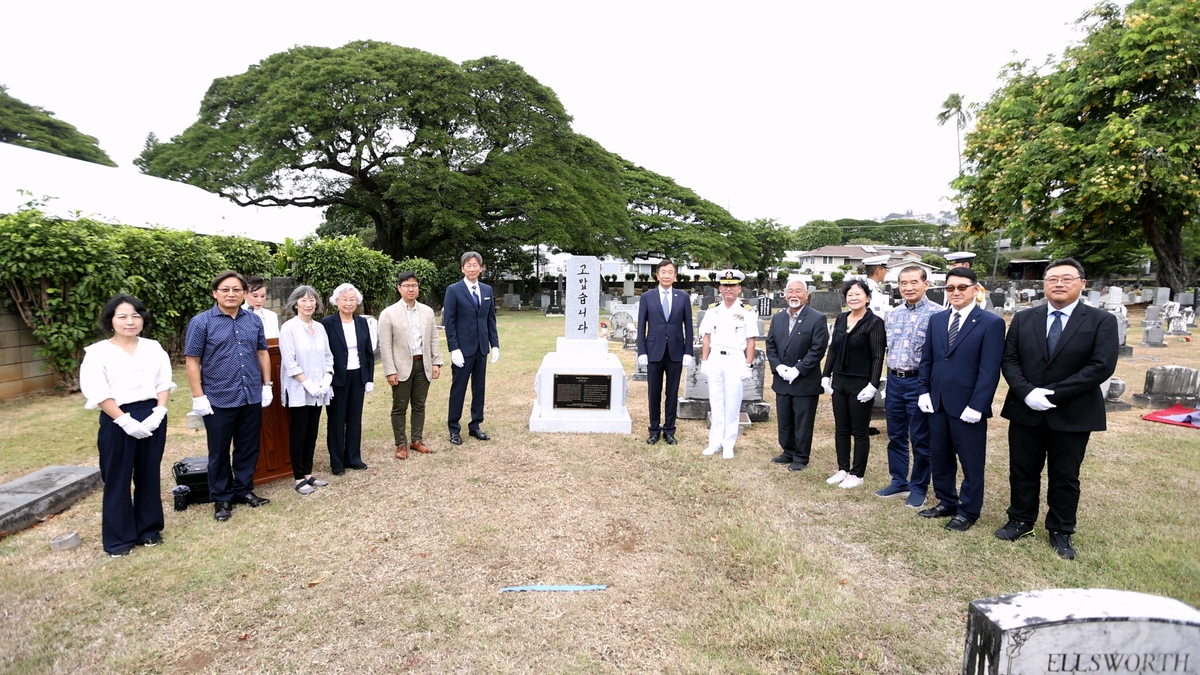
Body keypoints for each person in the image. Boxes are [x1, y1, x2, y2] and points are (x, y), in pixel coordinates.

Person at [996, 258, 1118, 559]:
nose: (1059, 284)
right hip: (1026, 409)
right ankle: (1021, 519)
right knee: (1022, 469)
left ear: (1082, 283)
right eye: (1052, 279)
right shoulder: (1025, 319)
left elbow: (1100, 366)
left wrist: (1053, 394)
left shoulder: (1100, 321)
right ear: (1044, 284)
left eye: (1066, 278)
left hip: (1072, 411)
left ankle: (1061, 529)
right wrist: (1027, 392)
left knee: (1065, 475)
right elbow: (1009, 359)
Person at [80, 294, 176, 557]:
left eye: (135, 315)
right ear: (111, 320)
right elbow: (97, 391)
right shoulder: (97, 353)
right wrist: (124, 420)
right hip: (116, 418)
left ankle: (149, 529)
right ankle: (119, 540)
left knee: (148, 473)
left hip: (152, 412)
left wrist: (160, 412)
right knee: (118, 478)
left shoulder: (153, 347)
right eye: (122, 316)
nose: (130, 321)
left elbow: (164, 382)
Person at [916, 267, 1005, 531]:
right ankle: (946, 501)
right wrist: (923, 391)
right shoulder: (938, 319)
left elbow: (990, 369)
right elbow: (928, 359)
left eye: (962, 287)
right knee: (940, 456)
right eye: (950, 288)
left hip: (968, 406)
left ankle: (968, 510)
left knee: (971, 461)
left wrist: (978, 405)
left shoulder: (990, 322)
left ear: (976, 289)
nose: (955, 292)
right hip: (938, 401)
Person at [185, 271, 273, 522]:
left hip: (250, 395)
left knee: (248, 447)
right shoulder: (201, 322)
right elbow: (192, 361)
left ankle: (243, 490)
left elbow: (262, 352)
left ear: (244, 293)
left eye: (237, 289)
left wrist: (267, 385)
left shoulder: (253, 320)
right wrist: (198, 396)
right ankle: (222, 498)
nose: (231, 294)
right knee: (219, 450)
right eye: (225, 289)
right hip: (218, 396)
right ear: (215, 293)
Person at [878, 266, 940, 508]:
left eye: (914, 282)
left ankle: (919, 486)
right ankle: (898, 480)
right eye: (904, 283)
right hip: (894, 380)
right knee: (895, 435)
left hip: (920, 382)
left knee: (921, 438)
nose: (908, 287)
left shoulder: (938, 314)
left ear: (926, 284)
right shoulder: (892, 315)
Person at [821, 280, 885, 488]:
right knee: (841, 428)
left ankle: (857, 473)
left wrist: (873, 384)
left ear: (867, 297)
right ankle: (842, 469)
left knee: (859, 430)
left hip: (861, 383)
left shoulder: (874, 322)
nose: (854, 298)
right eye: (850, 294)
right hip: (840, 381)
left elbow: (877, 356)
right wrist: (825, 375)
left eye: (858, 294)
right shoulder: (840, 319)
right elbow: (833, 350)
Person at [765, 279, 828, 472]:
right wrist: (779, 367)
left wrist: (798, 369)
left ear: (806, 295)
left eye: (798, 291)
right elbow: (770, 345)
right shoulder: (778, 318)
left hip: (804, 380)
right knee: (785, 418)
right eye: (790, 291)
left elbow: (818, 349)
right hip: (782, 378)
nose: (794, 295)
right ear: (785, 295)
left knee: (802, 419)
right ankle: (788, 451)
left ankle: (801, 456)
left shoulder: (817, 318)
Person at [379, 271, 443, 459]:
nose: (411, 289)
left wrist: (437, 362)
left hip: (423, 364)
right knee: (399, 406)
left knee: (419, 404)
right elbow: (385, 345)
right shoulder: (388, 314)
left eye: (414, 285)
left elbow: (433, 339)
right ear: (399, 288)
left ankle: (416, 440)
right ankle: (401, 444)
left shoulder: (427, 311)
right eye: (406, 285)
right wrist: (390, 370)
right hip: (400, 367)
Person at [278, 285, 334, 495]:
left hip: (319, 389)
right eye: (303, 300)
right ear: (295, 303)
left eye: (312, 300)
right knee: (299, 433)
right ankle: (298, 477)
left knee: (312, 433)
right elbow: (290, 362)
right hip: (300, 390)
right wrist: (307, 382)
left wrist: (327, 378)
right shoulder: (289, 328)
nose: (308, 304)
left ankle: (309, 473)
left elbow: (328, 356)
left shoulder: (319, 328)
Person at [699, 269, 758, 460]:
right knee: (716, 403)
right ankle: (714, 442)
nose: (729, 289)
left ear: (739, 288)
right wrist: (704, 361)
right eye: (725, 285)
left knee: (732, 405)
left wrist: (748, 366)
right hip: (715, 357)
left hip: (735, 359)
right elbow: (706, 337)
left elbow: (751, 340)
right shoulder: (712, 310)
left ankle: (729, 443)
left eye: (733, 286)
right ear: (720, 288)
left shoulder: (747, 312)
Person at [443, 251, 499, 445]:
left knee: (479, 388)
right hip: (462, 350)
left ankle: (475, 425)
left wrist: (495, 344)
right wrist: (454, 348)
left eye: (476, 265)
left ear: (481, 268)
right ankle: (454, 428)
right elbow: (449, 322)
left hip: (481, 348)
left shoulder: (487, 290)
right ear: (462, 268)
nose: (472, 268)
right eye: (469, 265)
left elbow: (490, 319)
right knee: (458, 388)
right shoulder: (453, 290)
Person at [636, 258, 694, 445]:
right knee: (654, 392)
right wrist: (642, 351)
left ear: (675, 276)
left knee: (672, 392)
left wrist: (688, 352)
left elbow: (689, 327)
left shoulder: (683, 298)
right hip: (653, 351)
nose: (667, 275)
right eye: (663, 272)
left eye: (670, 272)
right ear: (657, 275)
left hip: (676, 352)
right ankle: (654, 430)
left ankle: (669, 430)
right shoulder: (647, 297)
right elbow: (641, 327)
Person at [321, 283, 375, 474]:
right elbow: (322, 353)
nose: (348, 303)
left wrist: (369, 378)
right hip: (337, 378)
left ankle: (353, 457)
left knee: (354, 419)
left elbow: (368, 352)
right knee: (336, 420)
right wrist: (326, 380)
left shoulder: (361, 322)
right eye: (344, 299)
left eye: (352, 299)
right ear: (336, 301)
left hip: (358, 376)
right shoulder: (327, 323)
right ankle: (337, 462)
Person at [243, 276, 280, 340]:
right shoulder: (238, 314)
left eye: (262, 296)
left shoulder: (272, 315)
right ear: (245, 294)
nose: (259, 300)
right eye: (255, 296)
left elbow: (276, 339)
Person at [862, 254, 891, 318]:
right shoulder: (869, 288)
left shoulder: (871, 286)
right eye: (885, 269)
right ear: (878, 271)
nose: (886, 273)